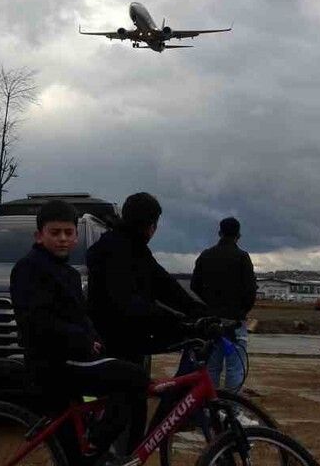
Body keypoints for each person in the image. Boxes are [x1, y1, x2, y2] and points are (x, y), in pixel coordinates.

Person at [11, 200, 147, 466]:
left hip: (71, 358)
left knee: (71, 450)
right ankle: (98, 444)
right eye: (55, 232)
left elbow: (80, 316)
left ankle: (91, 450)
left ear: (76, 236)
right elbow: (37, 321)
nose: (62, 238)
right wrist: (82, 339)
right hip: (54, 362)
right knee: (135, 377)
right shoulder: (29, 268)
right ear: (39, 236)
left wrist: (94, 337)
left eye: (68, 232)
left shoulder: (68, 273)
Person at [86, 192, 207, 451]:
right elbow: (130, 304)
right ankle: (94, 451)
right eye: (154, 224)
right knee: (123, 409)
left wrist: (199, 312)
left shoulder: (133, 246)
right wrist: (179, 322)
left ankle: (124, 454)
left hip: (129, 340)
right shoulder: (116, 249)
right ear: (150, 224)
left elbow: (164, 285)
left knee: (135, 407)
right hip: (111, 341)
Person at [191, 216, 256, 392]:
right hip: (234, 323)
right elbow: (250, 291)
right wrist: (241, 311)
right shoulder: (242, 257)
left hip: (210, 321)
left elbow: (194, 286)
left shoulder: (206, 255)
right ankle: (232, 410)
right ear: (239, 235)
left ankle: (208, 409)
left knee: (211, 367)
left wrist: (208, 305)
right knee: (235, 368)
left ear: (219, 233)